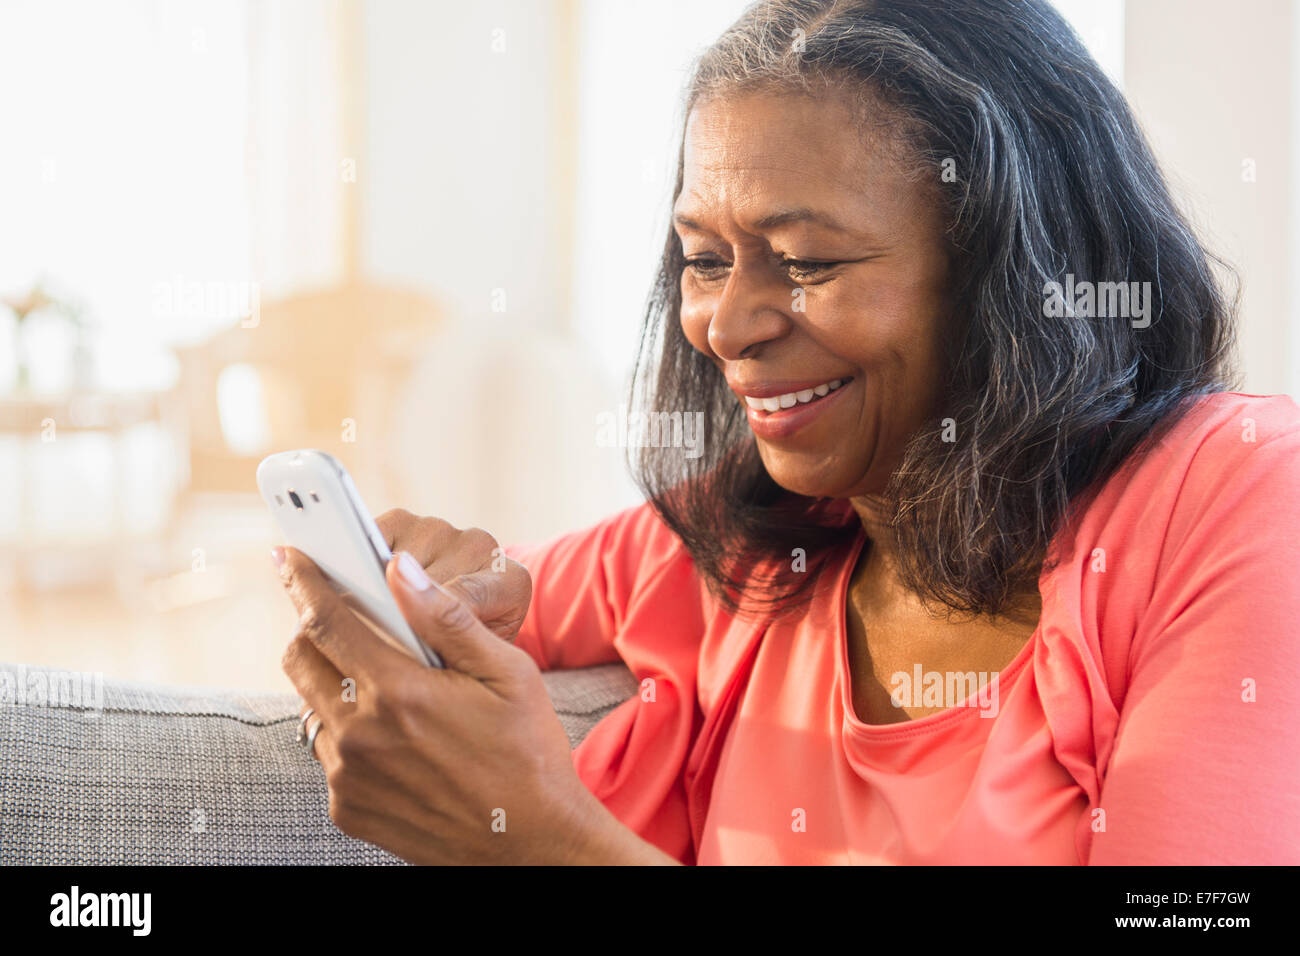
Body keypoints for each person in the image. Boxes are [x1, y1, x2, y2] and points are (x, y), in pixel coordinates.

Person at [274, 0, 1300, 864]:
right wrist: (423, 585)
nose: (724, 325)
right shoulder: (739, 541)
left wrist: (547, 841)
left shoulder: (1237, 495)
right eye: (705, 258)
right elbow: (499, 583)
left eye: (806, 262)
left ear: (1009, 277)